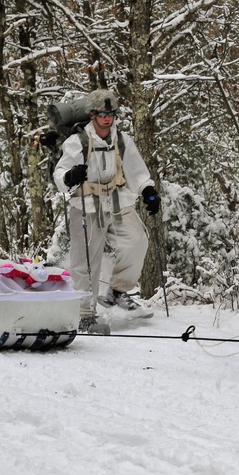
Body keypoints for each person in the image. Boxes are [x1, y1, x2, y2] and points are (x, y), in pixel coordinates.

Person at [53, 89, 160, 333]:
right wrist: (70, 176)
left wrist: (147, 190)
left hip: (117, 200)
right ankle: (84, 313)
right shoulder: (76, 142)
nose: (107, 118)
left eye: (110, 113)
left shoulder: (121, 140)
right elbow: (59, 173)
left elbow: (137, 171)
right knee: (86, 260)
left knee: (137, 241)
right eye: (102, 114)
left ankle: (118, 291)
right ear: (92, 115)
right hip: (86, 204)